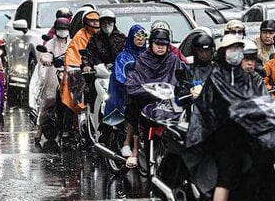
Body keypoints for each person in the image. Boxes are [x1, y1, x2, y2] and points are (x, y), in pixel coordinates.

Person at [184, 35, 268, 201]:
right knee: (226, 176)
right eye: (232, 49)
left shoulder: (246, 77)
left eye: (239, 49)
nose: (237, 53)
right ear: (222, 53)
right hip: (219, 134)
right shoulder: (216, 77)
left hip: (245, 134)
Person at [124, 27, 185, 168]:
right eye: (157, 44)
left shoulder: (173, 60)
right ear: (151, 43)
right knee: (135, 107)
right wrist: (144, 90)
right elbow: (133, 80)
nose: (160, 47)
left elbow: (180, 78)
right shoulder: (142, 60)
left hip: (167, 101)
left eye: (164, 44)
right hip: (146, 99)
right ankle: (134, 150)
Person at [104, 24, 147, 158]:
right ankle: (126, 143)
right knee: (133, 111)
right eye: (137, 36)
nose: (141, 39)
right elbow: (119, 76)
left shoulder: (148, 55)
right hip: (127, 94)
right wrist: (131, 86)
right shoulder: (123, 57)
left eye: (144, 36)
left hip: (147, 92)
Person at [32, 17, 70, 141]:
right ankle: (40, 128)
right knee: (49, 99)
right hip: (54, 74)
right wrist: (47, 61)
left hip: (69, 74)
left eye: (64, 29)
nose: (62, 32)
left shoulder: (72, 43)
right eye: (60, 29)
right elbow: (45, 55)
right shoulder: (50, 44)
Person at [61, 9, 99, 117]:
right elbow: (73, 56)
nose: (96, 23)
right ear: (85, 22)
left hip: (99, 72)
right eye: (92, 21)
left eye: (97, 20)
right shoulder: (79, 37)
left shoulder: (103, 36)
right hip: (81, 73)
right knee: (74, 98)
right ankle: (67, 127)